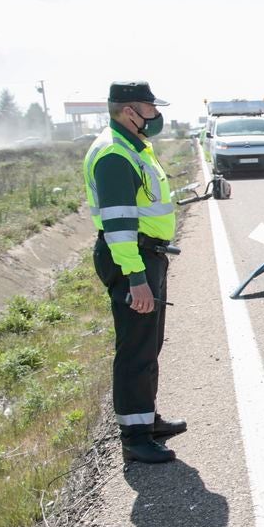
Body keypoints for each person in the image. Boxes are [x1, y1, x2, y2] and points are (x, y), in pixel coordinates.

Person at [84, 81, 184, 463]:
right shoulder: (114, 154)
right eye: (150, 108)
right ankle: (135, 437)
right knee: (135, 350)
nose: (156, 115)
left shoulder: (131, 146)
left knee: (148, 344)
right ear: (130, 112)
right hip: (132, 260)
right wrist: (136, 278)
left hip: (145, 255)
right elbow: (118, 224)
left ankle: (147, 418)